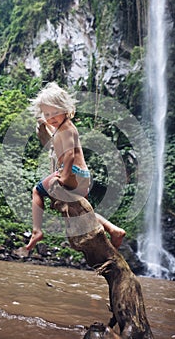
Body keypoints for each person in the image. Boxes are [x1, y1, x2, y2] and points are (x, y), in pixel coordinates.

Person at [26, 82, 125, 251]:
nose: (51, 117)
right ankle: (113, 229)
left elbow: (70, 155)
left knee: (37, 190)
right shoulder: (60, 126)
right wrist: (43, 123)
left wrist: (64, 177)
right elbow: (51, 139)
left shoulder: (67, 129)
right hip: (81, 177)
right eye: (47, 114)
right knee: (79, 209)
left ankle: (37, 231)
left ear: (65, 109)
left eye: (55, 113)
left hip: (74, 174)